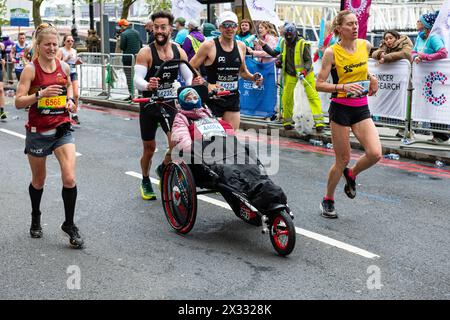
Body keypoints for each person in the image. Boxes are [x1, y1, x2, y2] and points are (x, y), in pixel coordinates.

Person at [14, 23, 84, 248]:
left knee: (70, 178)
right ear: (39, 45)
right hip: (38, 132)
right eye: (48, 45)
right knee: (39, 180)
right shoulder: (30, 70)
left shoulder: (63, 66)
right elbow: (18, 102)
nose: (52, 48)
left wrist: (71, 101)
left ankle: (69, 224)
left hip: (62, 129)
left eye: (55, 44)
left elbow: (70, 89)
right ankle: (36, 216)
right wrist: (40, 94)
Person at [315, 10, 382, 218]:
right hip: (341, 109)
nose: (354, 27)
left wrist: (372, 78)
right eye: (350, 24)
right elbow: (319, 84)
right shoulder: (331, 52)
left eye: (356, 24)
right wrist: (343, 87)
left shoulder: (365, 45)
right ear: (339, 29)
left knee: (375, 153)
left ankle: (352, 174)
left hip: (361, 108)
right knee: (342, 159)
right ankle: (328, 199)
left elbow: (363, 69)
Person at [133, 11, 201, 200]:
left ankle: (164, 168)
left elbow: (187, 74)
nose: (159, 31)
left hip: (169, 103)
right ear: (152, 28)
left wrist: (190, 84)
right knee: (149, 147)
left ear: (170, 28)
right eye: (156, 27)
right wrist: (147, 85)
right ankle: (145, 180)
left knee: (176, 142)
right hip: (149, 104)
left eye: (163, 27)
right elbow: (137, 79)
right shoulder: (146, 52)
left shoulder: (178, 50)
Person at [189, 11, 263, 130]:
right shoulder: (209, 45)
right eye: (226, 25)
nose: (230, 29)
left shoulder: (241, 46)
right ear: (220, 27)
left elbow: (243, 72)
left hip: (232, 97)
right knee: (213, 141)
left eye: (233, 25)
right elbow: (191, 66)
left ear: (237, 27)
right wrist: (205, 83)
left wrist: (254, 78)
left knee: (230, 140)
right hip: (213, 99)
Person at [262, 23, 324, 131]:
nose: (288, 38)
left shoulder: (303, 43)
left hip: (305, 74)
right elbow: (278, 54)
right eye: (287, 35)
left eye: (290, 35)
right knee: (287, 98)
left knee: (312, 96)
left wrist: (304, 71)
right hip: (291, 74)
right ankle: (287, 121)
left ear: (295, 33)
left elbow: (308, 61)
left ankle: (319, 123)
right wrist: (278, 60)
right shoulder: (283, 42)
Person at [412, 11, 449, 143]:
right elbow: (413, 51)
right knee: (428, 105)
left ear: (426, 24)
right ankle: (436, 135)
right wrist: (415, 57)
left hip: (437, 77)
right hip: (424, 77)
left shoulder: (433, 37)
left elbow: (443, 53)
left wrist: (425, 57)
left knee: (437, 104)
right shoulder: (419, 36)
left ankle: (442, 135)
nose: (417, 22)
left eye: (420, 20)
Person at [56, 35, 82, 125]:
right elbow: (57, 63)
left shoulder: (74, 51)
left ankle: (74, 114)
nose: (70, 42)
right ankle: (64, 115)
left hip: (73, 72)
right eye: (68, 41)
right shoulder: (60, 50)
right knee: (65, 95)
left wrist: (78, 62)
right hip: (63, 74)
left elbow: (74, 63)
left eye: (72, 41)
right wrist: (66, 58)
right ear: (64, 42)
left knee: (76, 94)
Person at [119, 19, 142, 101]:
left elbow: (122, 47)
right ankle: (140, 95)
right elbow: (141, 44)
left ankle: (131, 95)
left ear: (122, 26)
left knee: (129, 77)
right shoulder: (137, 32)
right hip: (137, 58)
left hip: (127, 59)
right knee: (139, 76)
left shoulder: (124, 34)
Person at [0, 41, 6, 120]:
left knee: (1, 90)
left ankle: (2, 111)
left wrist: (3, 62)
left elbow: (3, 57)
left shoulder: (1, 45)